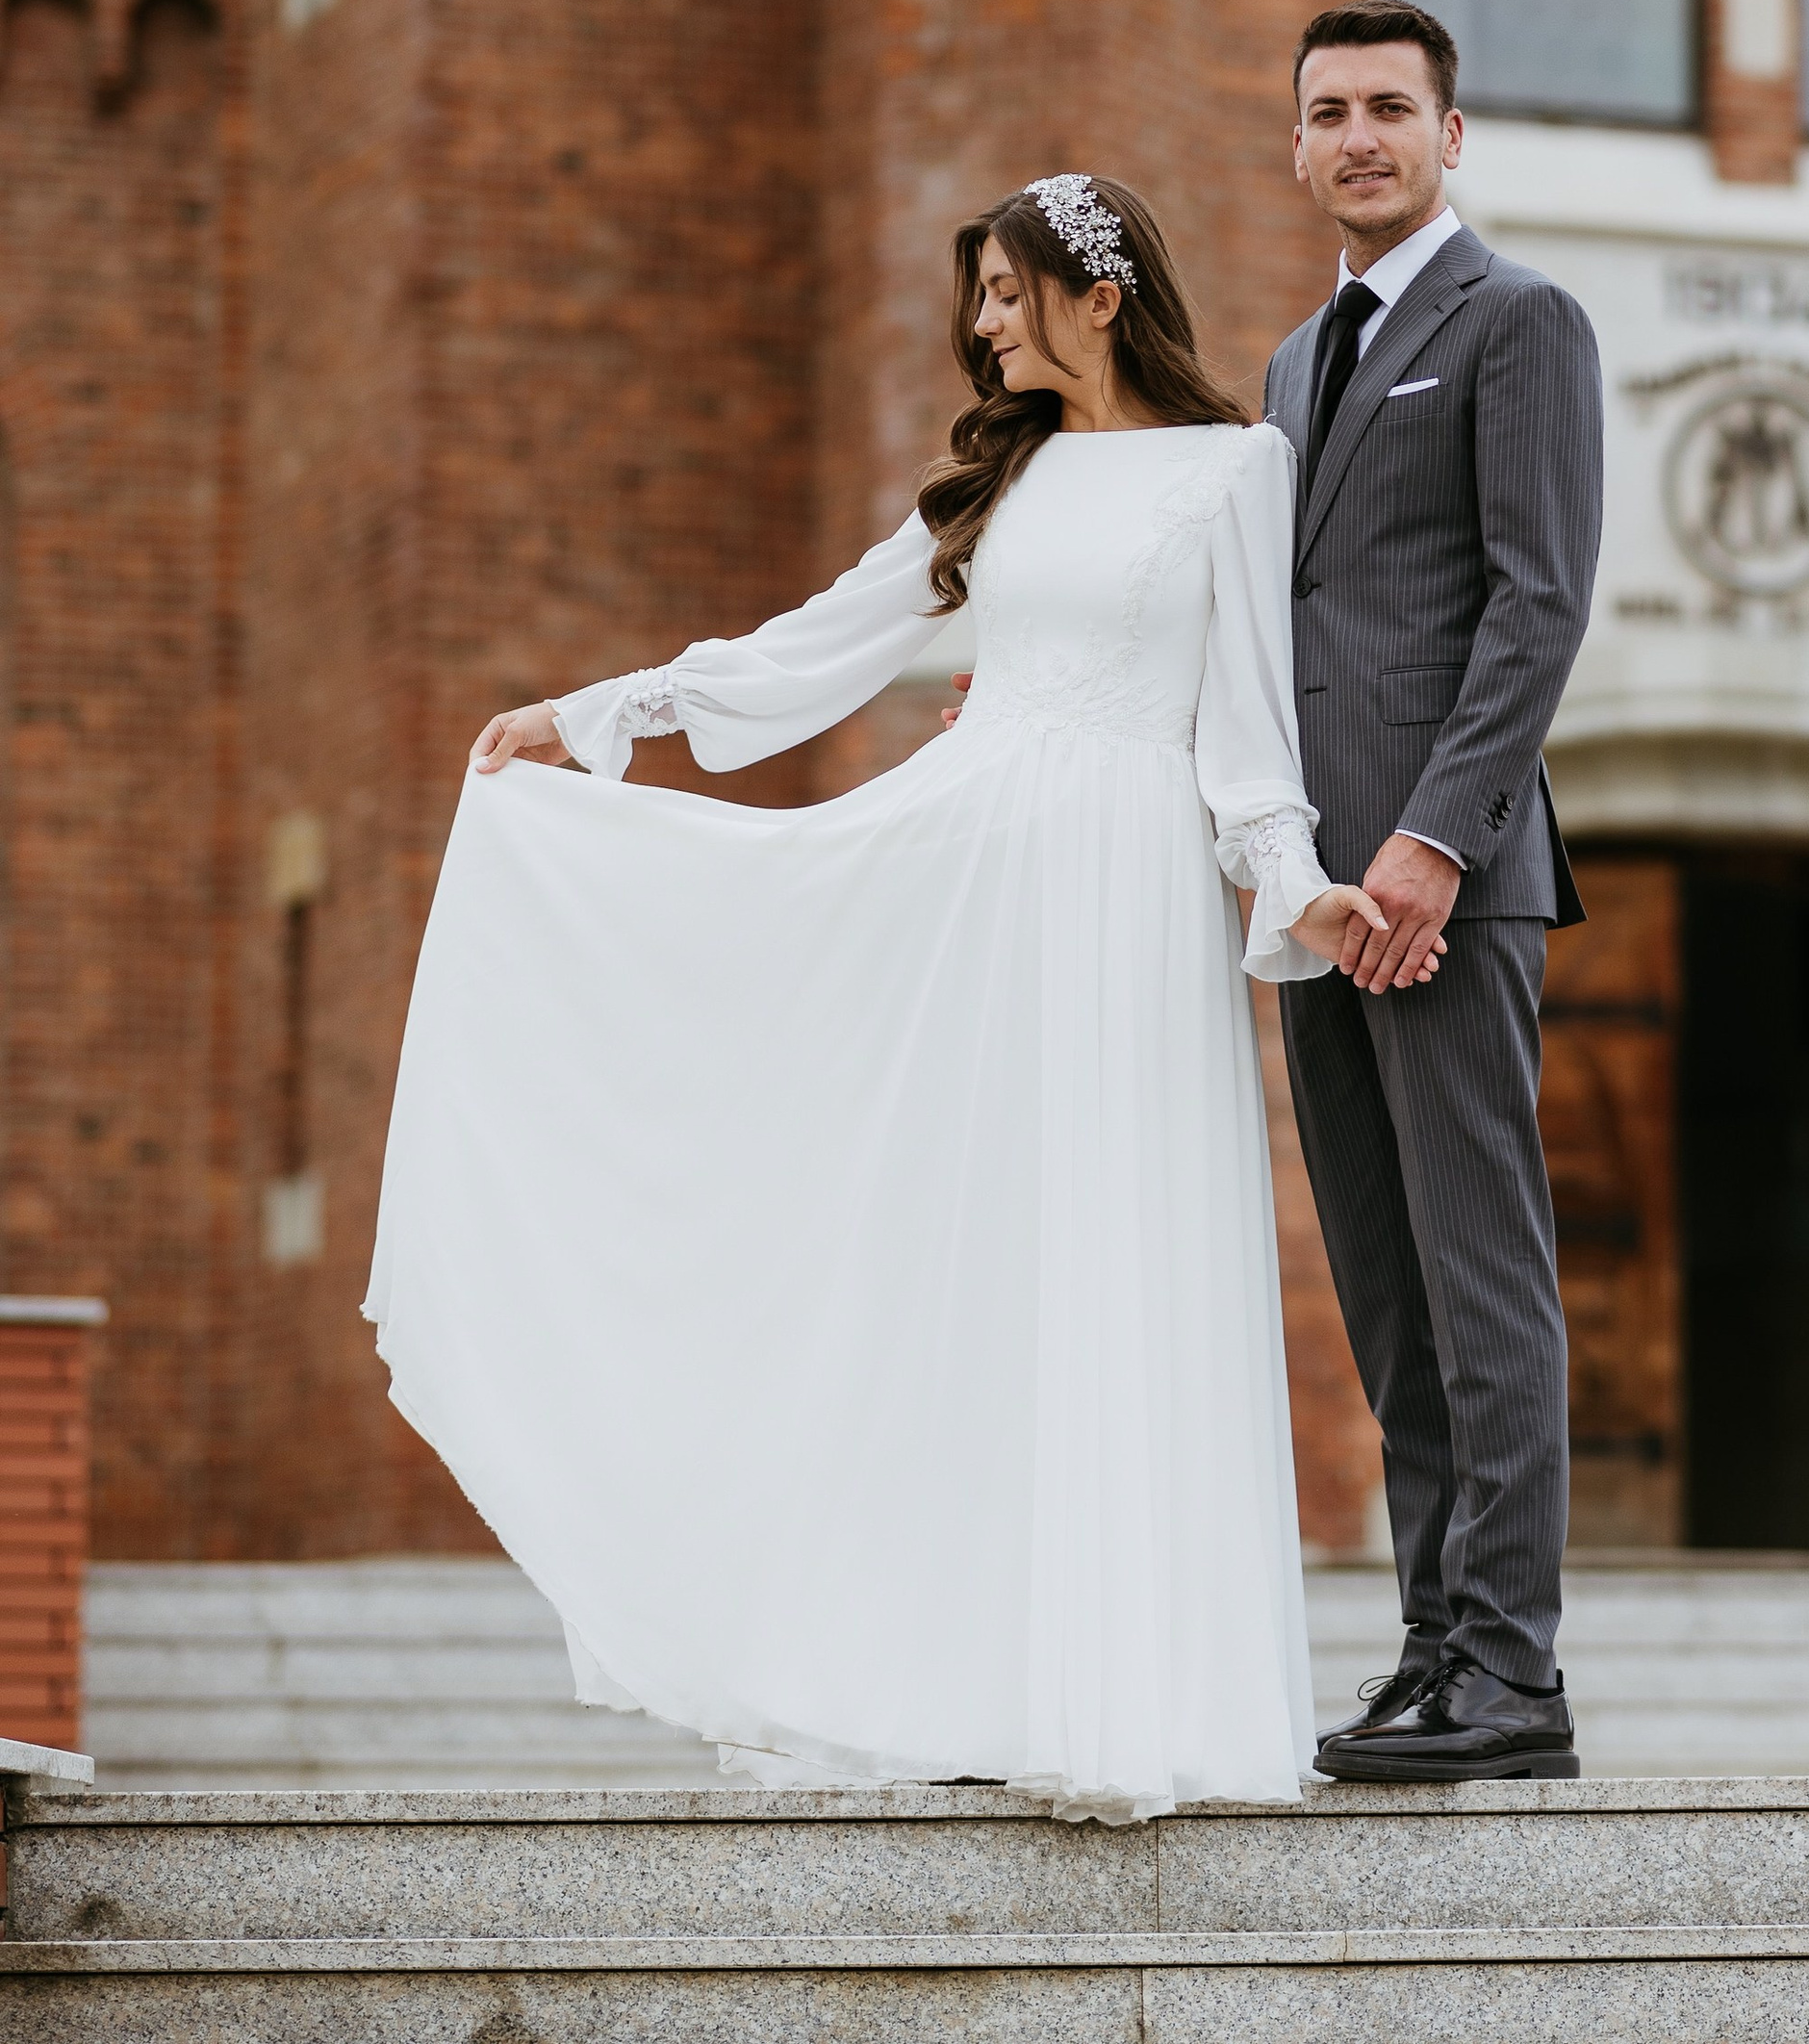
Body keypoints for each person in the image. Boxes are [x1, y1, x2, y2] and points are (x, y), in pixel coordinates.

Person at [364, 174, 1404, 1826]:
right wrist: (602, 711)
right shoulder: (1006, 480)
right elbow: (827, 643)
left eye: (1008, 290)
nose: (984, 322)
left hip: (1125, 889)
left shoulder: (1234, 467)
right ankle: (963, 1675)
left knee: (1107, 1249)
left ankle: (1116, 1692)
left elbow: (1248, 734)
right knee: (967, 1254)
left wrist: (1299, 886)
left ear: (1098, 293)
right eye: (979, 294)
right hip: (970, 870)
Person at [1268, 0, 1603, 1783]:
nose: (1361, 137)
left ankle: (1516, 1675)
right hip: (1314, 903)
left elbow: (1536, 603)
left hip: (1447, 889)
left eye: (1392, 107)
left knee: (1484, 1279)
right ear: (1299, 147)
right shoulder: (1284, 364)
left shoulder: (1519, 323)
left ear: (1450, 133)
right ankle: (1430, 1651)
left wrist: (1436, 837)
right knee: (1387, 1295)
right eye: (1329, 113)